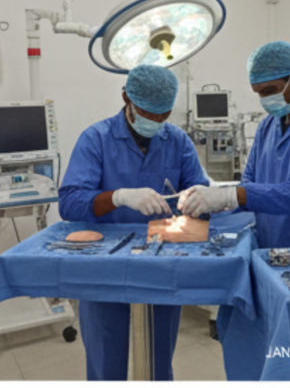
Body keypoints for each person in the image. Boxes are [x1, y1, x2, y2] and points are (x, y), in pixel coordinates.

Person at [59, 64, 209, 380]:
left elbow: (200, 193)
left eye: (163, 115)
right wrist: (118, 197)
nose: (156, 121)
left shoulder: (177, 141)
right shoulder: (96, 139)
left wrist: (202, 201)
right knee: (106, 361)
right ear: (126, 97)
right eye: (147, 113)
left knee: (157, 361)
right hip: (104, 264)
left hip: (160, 262)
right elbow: (69, 203)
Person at [178, 41, 290, 248]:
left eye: (269, 90)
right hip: (268, 249)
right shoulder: (267, 126)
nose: (264, 99)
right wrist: (208, 205)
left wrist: (230, 196)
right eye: (259, 93)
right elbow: (249, 186)